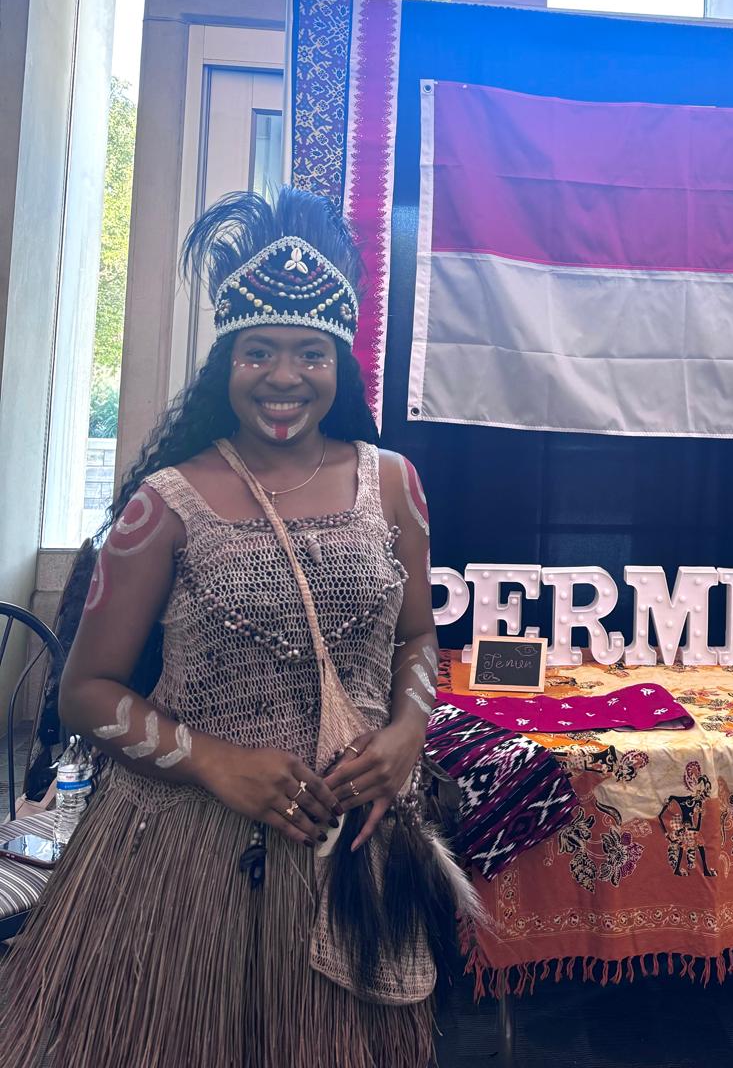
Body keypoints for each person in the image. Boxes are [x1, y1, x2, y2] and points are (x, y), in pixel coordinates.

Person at [1, 189, 474, 1068]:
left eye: (309, 353)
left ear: (340, 363)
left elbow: (417, 640)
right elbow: (85, 693)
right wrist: (217, 761)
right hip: (185, 858)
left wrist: (408, 733)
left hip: (353, 853)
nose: (284, 376)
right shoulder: (166, 503)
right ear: (227, 362)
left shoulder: (395, 485)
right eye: (258, 352)